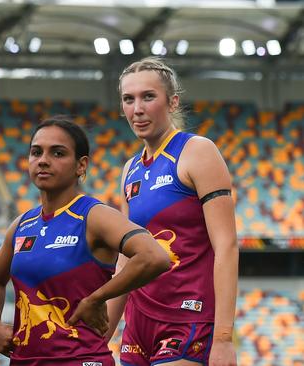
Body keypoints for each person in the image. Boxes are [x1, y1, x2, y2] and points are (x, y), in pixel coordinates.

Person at [0, 117, 171, 366]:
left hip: (80, 359)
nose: (43, 160)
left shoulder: (93, 215)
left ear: (81, 166)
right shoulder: (21, 225)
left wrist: (96, 299)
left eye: (58, 153)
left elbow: (154, 257)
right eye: (36, 152)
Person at [109, 57, 239, 366]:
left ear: (173, 102)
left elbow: (227, 246)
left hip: (188, 318)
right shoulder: (130, 170)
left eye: (148, 96)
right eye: (129, 99)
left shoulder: (198, 151)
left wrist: (222, 338)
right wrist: (100, 338)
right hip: (138, 324)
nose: (137, 108)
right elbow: (127, 259)